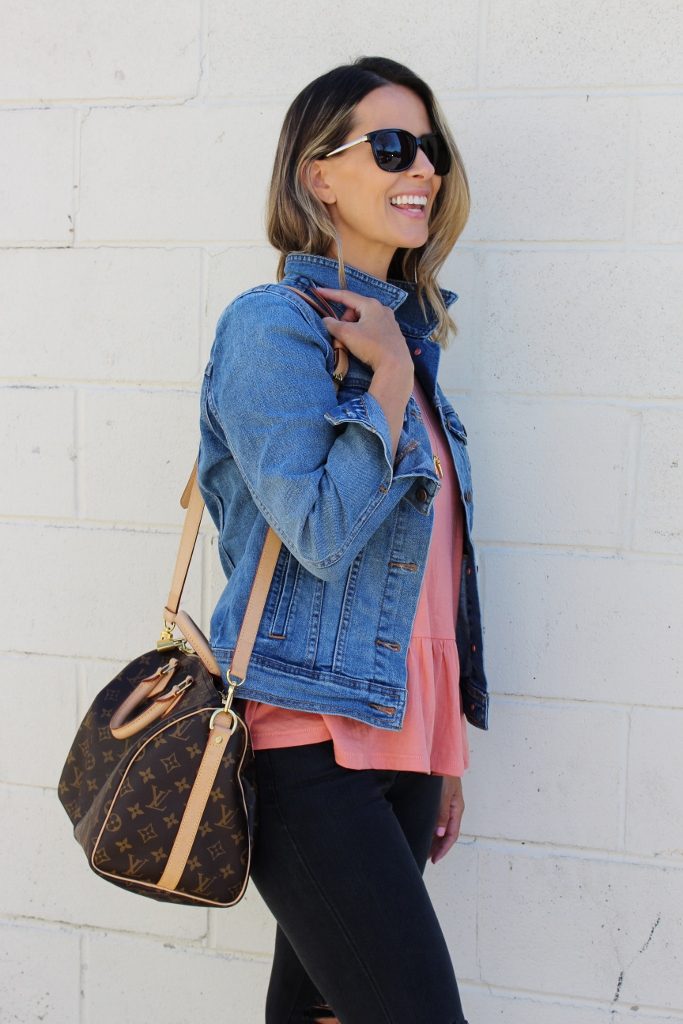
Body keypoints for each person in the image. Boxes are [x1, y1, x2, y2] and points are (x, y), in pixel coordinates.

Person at [198, 55, 489, 1024]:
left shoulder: (404, 342)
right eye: (392, 147)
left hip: (398, 737)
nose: (423, 171)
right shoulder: (271, 327)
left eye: (431, 149)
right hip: (305, 742)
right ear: (318, 174)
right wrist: (388, 379)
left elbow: (429, 572)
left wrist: (441, 744)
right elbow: (319, 533)